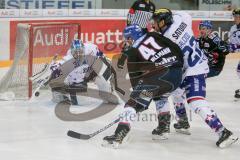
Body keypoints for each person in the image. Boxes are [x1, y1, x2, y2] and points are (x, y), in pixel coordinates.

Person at [151, 8, 238, 148]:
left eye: (155, 22)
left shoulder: (165, 40)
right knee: (176, 92)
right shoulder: (181, 19)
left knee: (195, 101)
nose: (153, 25)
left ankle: (223, 132)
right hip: (190, 67)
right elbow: (182, 14)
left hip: (195, 69)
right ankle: (183, 122)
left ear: (162, 22)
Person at [102, 24, 184, 148]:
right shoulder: (154, 35)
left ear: (131, 38)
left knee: (132, 103)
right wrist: (177, 66)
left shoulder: (132, 51)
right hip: (176, 75)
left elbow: (136, 77)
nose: (127, 41)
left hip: (158, 77)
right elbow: (176, 48)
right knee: (160, 96)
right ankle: (163, 128)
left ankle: (119, 134)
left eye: (127, 39)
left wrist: (139, 101)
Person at [49, 39, 119, 105]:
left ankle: (108, 93)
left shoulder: (91, 49)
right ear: (71, 52)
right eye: (76, 52)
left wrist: (108, 66)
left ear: (84, 49)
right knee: (80, 102)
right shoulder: (68, 59)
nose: (79, 54)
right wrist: (53, 68)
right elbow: (56, 67)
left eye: (80, 51)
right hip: (77, 78)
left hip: (90, 72)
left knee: (103, 81)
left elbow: (101, 56)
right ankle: (62, 93)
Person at [229, 8, 240, 100]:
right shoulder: (233, 28)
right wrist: (232, 47)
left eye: (237, 16)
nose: (235, 18)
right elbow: (233, 43)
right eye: (234, 16)